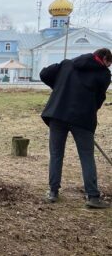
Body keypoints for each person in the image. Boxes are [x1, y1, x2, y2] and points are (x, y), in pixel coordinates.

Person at [40, 48, 112, 208]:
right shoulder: (104, 75)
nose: (109, 67)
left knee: (56, 154)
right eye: (109, 64)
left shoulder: (68, 64)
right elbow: (99, 100)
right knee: (86, 156)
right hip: (83, 119)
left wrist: (61, 89)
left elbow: (44, 74)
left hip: (58, 114)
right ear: (105, 59)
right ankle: (92, 197)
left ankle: (53, 192)